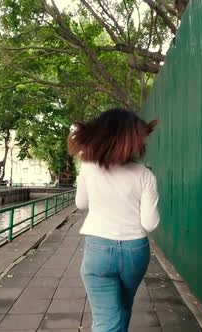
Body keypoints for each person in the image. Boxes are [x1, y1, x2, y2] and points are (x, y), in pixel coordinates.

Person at [69, 108, 160, 332]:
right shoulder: (144, 175)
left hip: (98, 249)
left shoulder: (88, 168)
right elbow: (150, 223)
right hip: (135, 251)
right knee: (122, 308)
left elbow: (81, 204)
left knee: (106, 320)